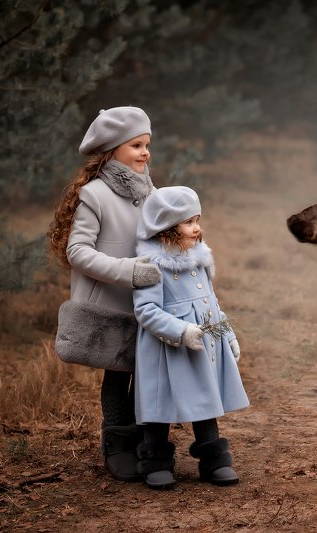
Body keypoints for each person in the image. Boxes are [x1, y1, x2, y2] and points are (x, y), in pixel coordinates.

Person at [48, 106, 161, 482]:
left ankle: (149, 444)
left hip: (150, 302)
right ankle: (117, 444)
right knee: (117, 375)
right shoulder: (94, 195)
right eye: (136, 145)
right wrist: (128, 271)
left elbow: (163, 233)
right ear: (112, 150)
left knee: (148, 374)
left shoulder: (151, 190)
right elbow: (77, 251)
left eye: (147, 144)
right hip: (111, 303)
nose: (145, 152)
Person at [132, 186, 249, 489]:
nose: (197, 228)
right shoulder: (151, 265)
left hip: (202, 345)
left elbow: (212, 303)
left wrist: (228, 334)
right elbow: (145, 310)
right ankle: (155, 460)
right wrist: (181, 331)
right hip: (166, 349)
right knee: (161, 404)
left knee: (205, 400)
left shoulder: (199, 258)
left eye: (198, 219)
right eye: (189, 222)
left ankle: (214, 461)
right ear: (167, 227)